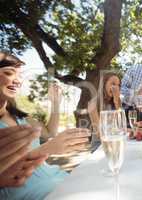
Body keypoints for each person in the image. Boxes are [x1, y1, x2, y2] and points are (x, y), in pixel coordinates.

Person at [0, 52, 91, 199]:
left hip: (59, 179)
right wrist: (44, 150)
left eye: (20, 75)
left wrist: (55, 104)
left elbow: (49, 133)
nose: (17, 80)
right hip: (32, 193)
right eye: (9, 73)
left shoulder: (20, 117)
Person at [88, 72, 121, 151]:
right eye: (113, 84)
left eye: (118, 85)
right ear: (104, 85)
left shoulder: (116, 102)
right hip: (99, 146)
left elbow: (121, 124)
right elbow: (100, 133)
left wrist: (117, 102)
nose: (116, 88)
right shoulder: (93, 103)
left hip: (115, 143)